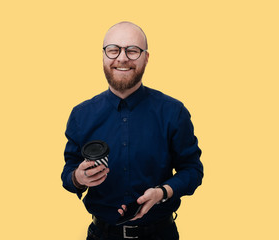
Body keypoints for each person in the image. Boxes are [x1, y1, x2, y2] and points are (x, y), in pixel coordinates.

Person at [61, 21, 203, 240]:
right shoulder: (81, 115)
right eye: (113, 49)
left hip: (160, 234)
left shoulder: (174, 112)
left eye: (132, 50)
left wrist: (162, 192)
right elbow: (68, 174)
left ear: (146, 57)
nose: (122, 58)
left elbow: (193, 170)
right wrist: (78, 178)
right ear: (104, 56)